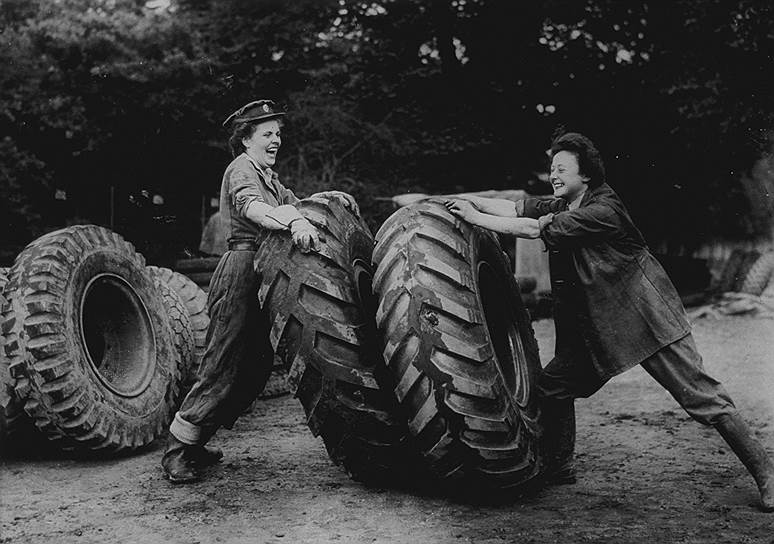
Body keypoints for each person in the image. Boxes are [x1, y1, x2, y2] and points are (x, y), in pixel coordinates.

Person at [445, 132, 774, 512]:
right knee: (553, 387)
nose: (553, 174)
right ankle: (560, 464)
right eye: (551, 167)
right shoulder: (566, 203)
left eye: (561, 168)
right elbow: (519, 209)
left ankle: (766, 474)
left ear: (586, 174)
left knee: (703, 398)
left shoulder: (604, 210)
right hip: (600, 327)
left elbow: (534, 228)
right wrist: (468, 201)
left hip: (645, 319)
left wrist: (474, 218)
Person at [161, 99, 357, 483]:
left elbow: (295, 204)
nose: (276, 140)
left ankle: (197, 440)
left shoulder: (269, 177)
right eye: (267, 134)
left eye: (279, 134)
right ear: (246, 139)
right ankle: (178, 450)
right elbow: (252, 208)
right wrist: (291, 222)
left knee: (254, 366)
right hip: (241, 270)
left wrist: (331, 199)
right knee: (224, 360)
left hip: (263, 274)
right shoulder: (241, 170)